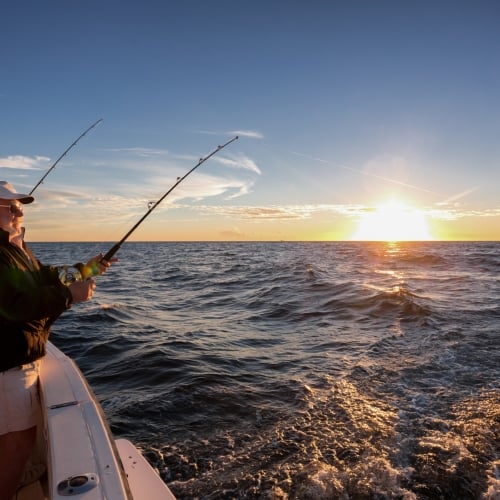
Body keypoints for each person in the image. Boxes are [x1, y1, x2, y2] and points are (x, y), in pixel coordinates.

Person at [0, 180, 114, 498]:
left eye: (20, 206)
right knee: (18, 443)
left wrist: (85, 268)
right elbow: (12, 305)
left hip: (15, 357)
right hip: (7, 364)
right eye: (11, 206)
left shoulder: (14, 248)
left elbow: (43, 277)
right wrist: (68, 295)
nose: (19, 212)